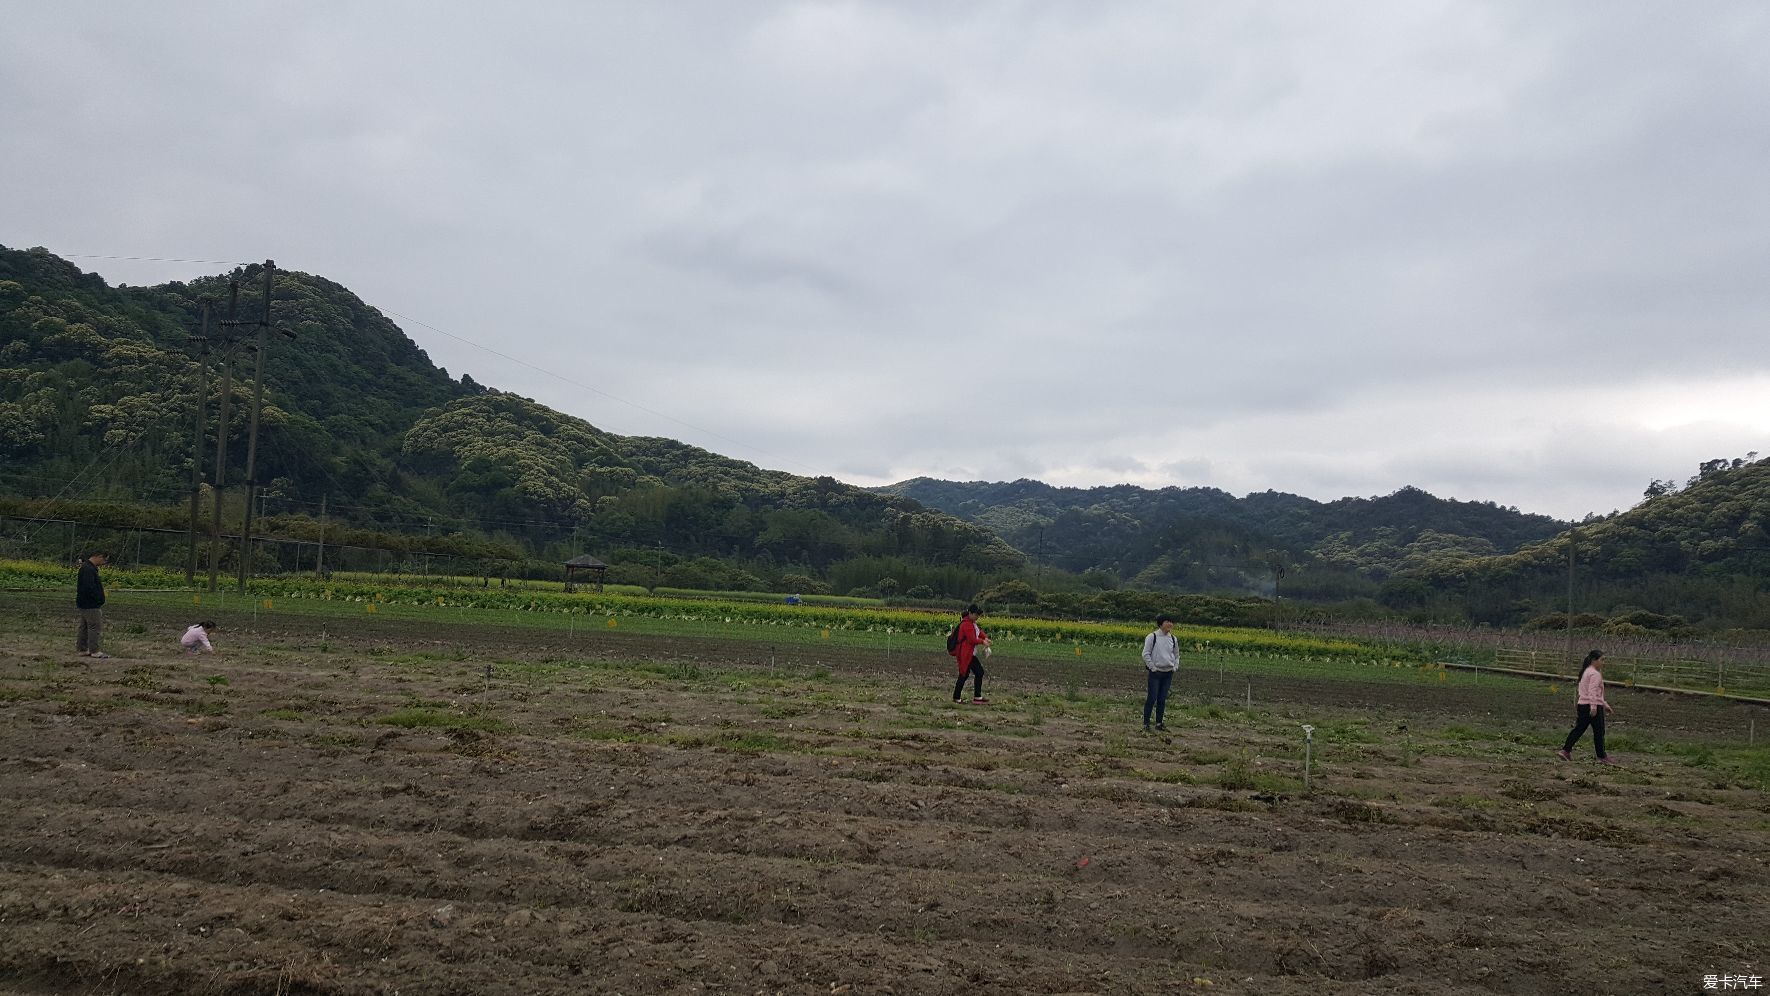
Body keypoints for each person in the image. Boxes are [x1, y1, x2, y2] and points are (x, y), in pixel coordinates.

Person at [1558, 649, 1618, 764]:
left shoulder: (1586, 672)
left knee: (1579, 729)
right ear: (1594, 660)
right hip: (1592, 706)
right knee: (1599, 732)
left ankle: (1565, 750)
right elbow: (1592, 691)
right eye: (1602, 660)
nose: (1603, 662)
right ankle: (1602, 756)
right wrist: (1594, 707)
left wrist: (1604, 704)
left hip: (1583, 705)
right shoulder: (1595, 674)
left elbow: (1588, 691)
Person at [1141, 615, 1180, 732]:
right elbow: (1145, 654)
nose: (1170, 624)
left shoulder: (1173, 638)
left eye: (1171, 622)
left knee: (1162, 699)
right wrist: (1152, 667)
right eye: (1168, 622)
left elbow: (1177, 655)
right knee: (1152, 698)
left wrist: (1175, 666)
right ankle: (1146, 723)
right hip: (1156, 673)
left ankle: (1159, 723)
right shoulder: (1152, 637)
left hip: (1168, 673)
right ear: (1161, 623)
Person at [950, 604, 991, 704]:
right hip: (965, 654)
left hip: (969, 654)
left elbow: (978, 632)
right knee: (968, 674)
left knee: (969, 673)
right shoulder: (966, 624)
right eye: (976, 615)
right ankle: (960, 698)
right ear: (970, 613)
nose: (978, 617)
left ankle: (972, 697)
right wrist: (983, 642)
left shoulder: (972, 623)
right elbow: (972, 639)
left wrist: (985, 637)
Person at [75, 551, 110, 659]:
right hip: (90, 604)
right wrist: (98, 598)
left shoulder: (86, 568)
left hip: (84, 603)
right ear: (98, 556)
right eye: (104, 560)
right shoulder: (89, 570)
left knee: (84, 627)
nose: (104, 563)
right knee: (94, 626)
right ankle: (94, 650)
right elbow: (89, 588)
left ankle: (82, 648)